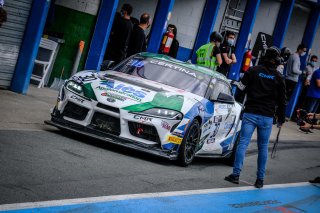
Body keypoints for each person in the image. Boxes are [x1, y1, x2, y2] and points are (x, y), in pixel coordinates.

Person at [225, 46, 286, 188]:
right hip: (267, 116)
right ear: (276, 60)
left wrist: (239, 106)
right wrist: (281, 119)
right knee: (263, 147)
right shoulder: (279, 77)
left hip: (251, 113)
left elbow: (240, 89)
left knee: (243, 143)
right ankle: (260, 180)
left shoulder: (253, 71)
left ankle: (235, 175)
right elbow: (283, 101)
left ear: (264, 56)